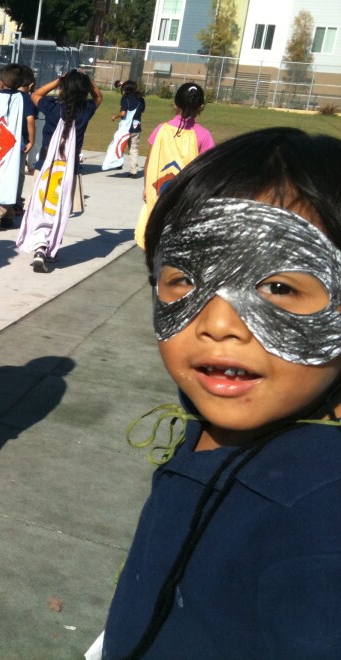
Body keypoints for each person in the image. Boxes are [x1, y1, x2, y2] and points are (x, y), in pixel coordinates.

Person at [101, 128, 341, 658]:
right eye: (185, 278)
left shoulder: (321, 521)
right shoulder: (207, 424)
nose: (218, 322)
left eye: (277, 287)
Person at [19, 70, 101, 271]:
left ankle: (39, 245)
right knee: (59, 209)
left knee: (40, 206)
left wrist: (57, 81)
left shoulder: (54, 109)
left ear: (62, 90)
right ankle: (49, 248)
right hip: (68, 169)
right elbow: (99, 97)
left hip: (45, 166)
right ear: (84, 92)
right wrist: (88, 81)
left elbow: (35, 95)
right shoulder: (87, 109)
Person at [134, 82, 214, 248]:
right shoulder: (203, 135)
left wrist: (146, 187)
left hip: (158, 191)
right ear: (201, 107)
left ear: (174, 103)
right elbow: (209, 169)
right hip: (186, 198)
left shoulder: (161, 129)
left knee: (155, 236)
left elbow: (150, 161)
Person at [0, 63, 36, 232]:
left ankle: (1, 214)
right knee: (12, 178)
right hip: (17, 145)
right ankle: (3, 214)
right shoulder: (24, 98)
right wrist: (31, 140)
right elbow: (30, 120)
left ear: (0, 81)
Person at [109, 79, 145, 176]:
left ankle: (117, 162)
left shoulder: (125, 99)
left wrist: (115, 116)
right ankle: (134, 171)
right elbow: (141, 111)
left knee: (118, 143)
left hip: (126, 128)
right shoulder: (141, 99)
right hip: (136, 127)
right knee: (133, 149)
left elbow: (123, 113)